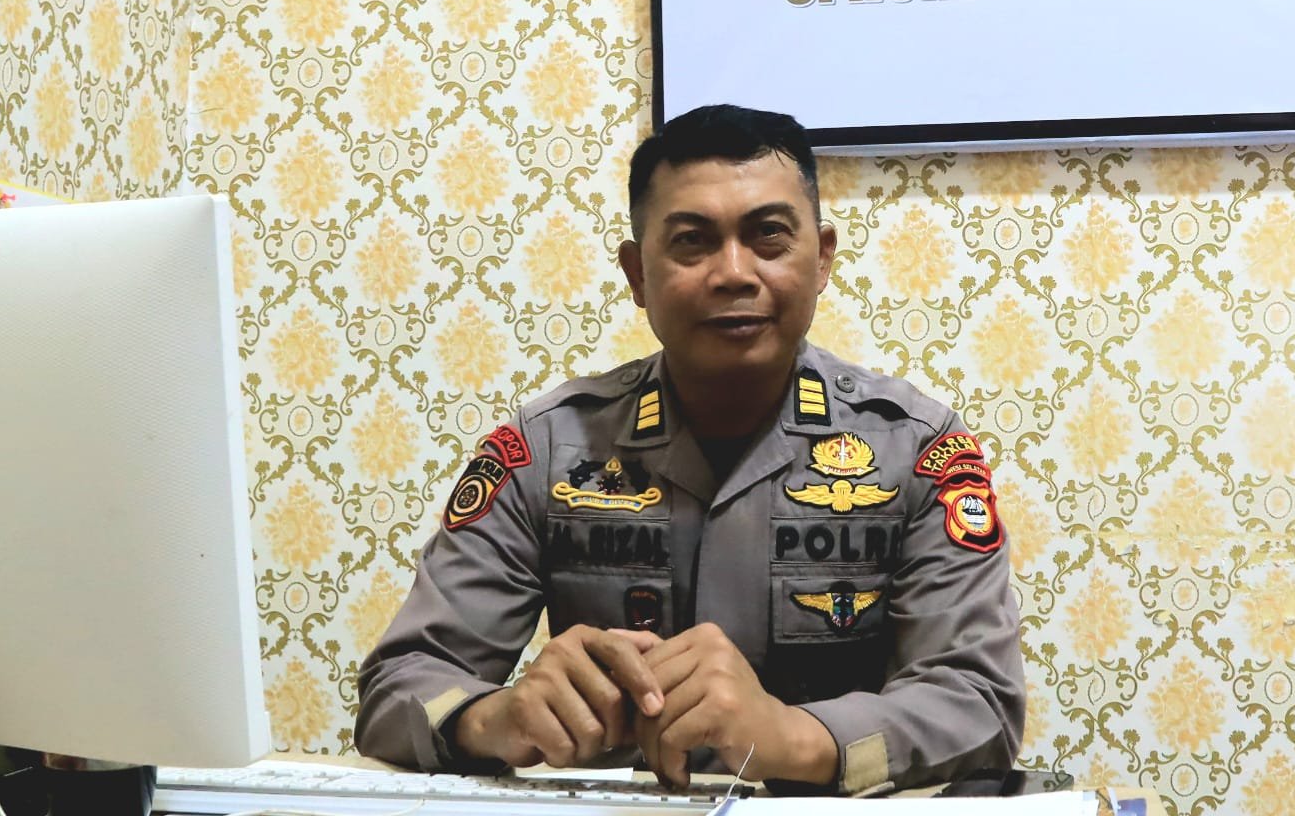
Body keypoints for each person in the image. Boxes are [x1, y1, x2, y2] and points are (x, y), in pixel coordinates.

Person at [355, 104, 1026, 794]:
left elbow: (979, 704)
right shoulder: (547, 449)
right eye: (692, 242)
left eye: (768, 236)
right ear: (637, 274)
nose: (733, 273)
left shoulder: (916, 451)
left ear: (822, 258)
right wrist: (495, 718)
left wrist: (795, 738)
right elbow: (399, 686)